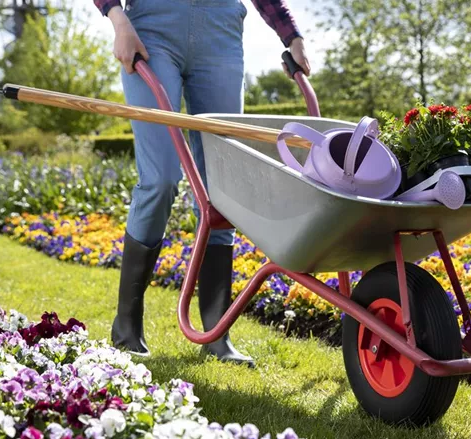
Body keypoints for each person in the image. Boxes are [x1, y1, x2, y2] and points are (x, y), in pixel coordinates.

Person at [94, 0, 310, 368]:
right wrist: (118, 20)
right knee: (160, 180)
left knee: (222, 190)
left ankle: (217, 334)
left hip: (221, 34)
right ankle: (126, 325)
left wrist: (293, 36)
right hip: (152, 28)